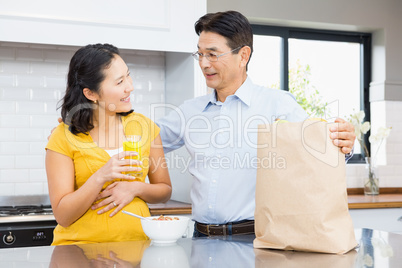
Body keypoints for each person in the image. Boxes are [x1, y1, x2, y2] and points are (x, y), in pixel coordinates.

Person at [155, 11, 356, 237]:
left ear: (243, 56)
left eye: (212, 54)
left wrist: (343, 144)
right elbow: (142, 140)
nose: (203, 63)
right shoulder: (189, 111)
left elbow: (319, 154)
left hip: (254, 238)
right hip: (201, 237)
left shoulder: (277, 105)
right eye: (200, 54)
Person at [46, 44, 171, 245]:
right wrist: (101, 176)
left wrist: (135, 188)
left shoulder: (145, 127)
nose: (130, 86)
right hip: (79, 252)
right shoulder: (62, 137)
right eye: (120, 81)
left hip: (136, 249)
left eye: (128, 76)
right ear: (91, 94)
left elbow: (164, 190)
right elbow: (63, 215)